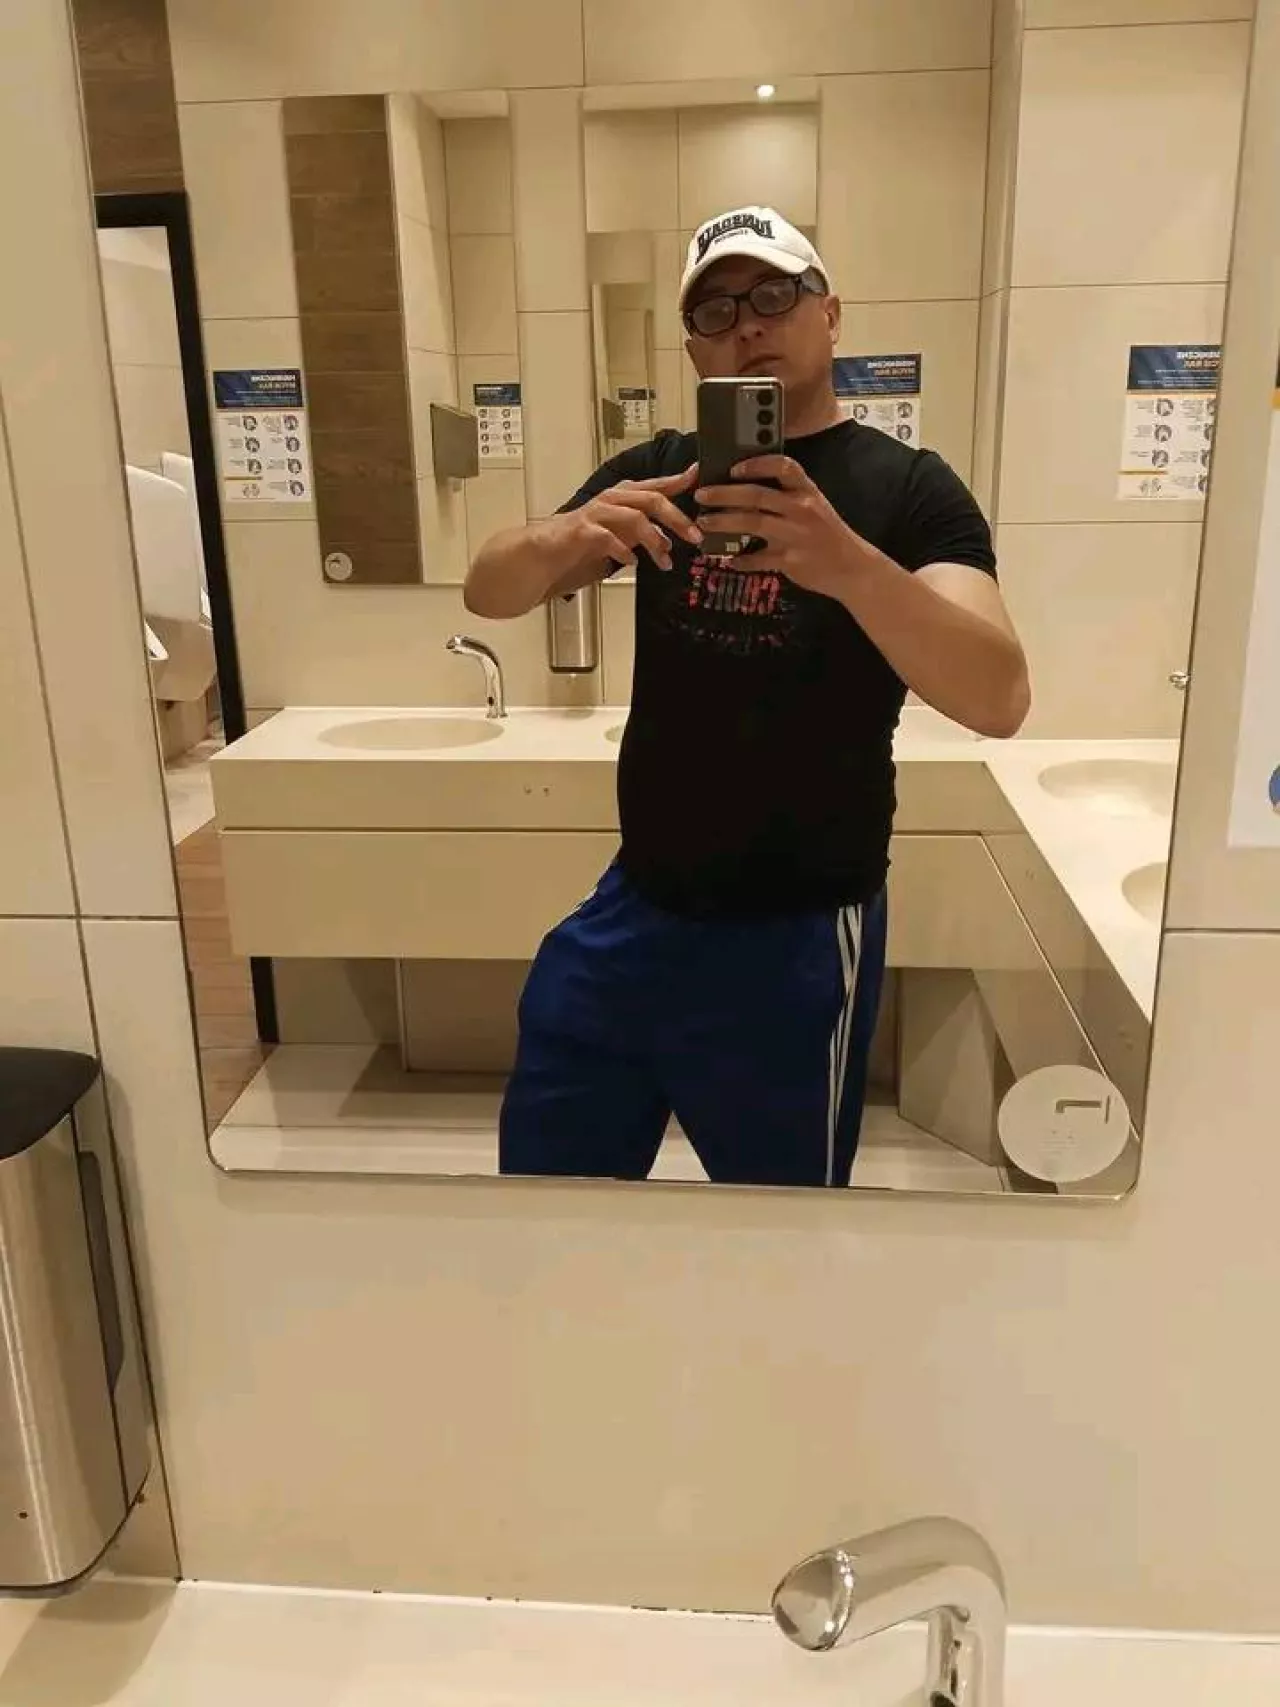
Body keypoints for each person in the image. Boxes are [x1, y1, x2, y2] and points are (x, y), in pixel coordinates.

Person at [464, 205, 1030, 1189]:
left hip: (799, 934)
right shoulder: (659, 470)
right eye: (715, 310)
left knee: (782, 1228)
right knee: (547, 1192)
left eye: (774, 294)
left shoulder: (908, 489)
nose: (748, 324)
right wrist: (568, 535)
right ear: (693, 348)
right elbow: (489, 589)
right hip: (635, 907)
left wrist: (846, 564)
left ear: (829, 314)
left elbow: (999, 695)